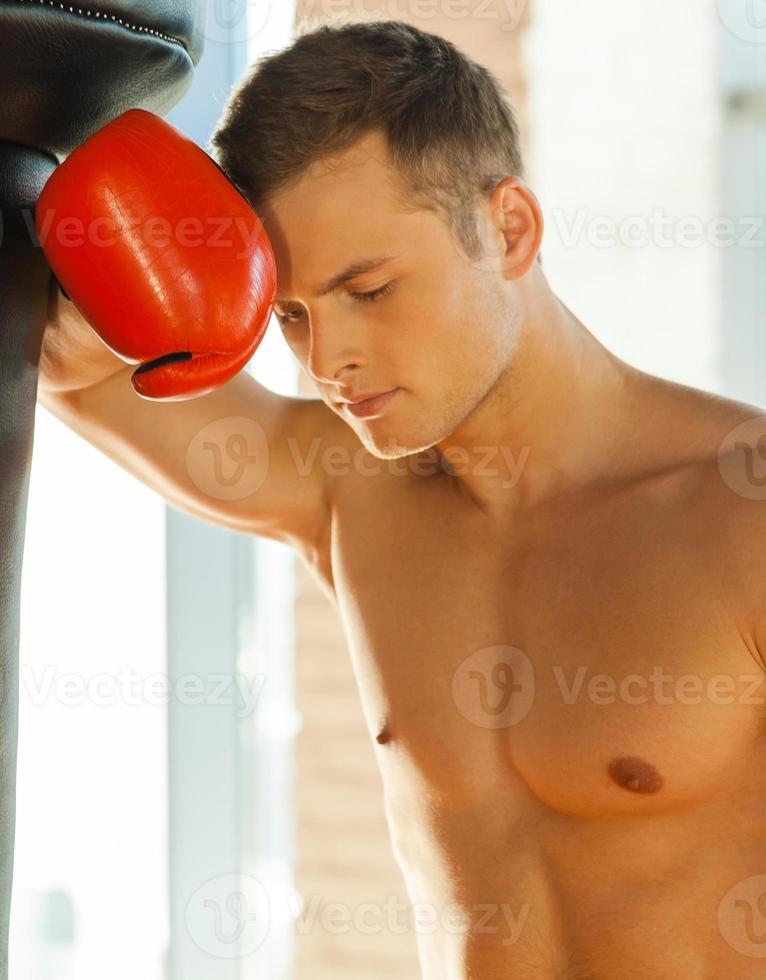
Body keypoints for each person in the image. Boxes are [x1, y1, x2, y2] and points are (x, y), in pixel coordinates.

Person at [37, 19, 766, 979]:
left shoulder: (740, 513)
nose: (326, 360)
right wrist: (164, 244)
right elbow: (71, 369)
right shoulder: (349, 490)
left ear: (509, 230)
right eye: (289, 313)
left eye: (370, 290)